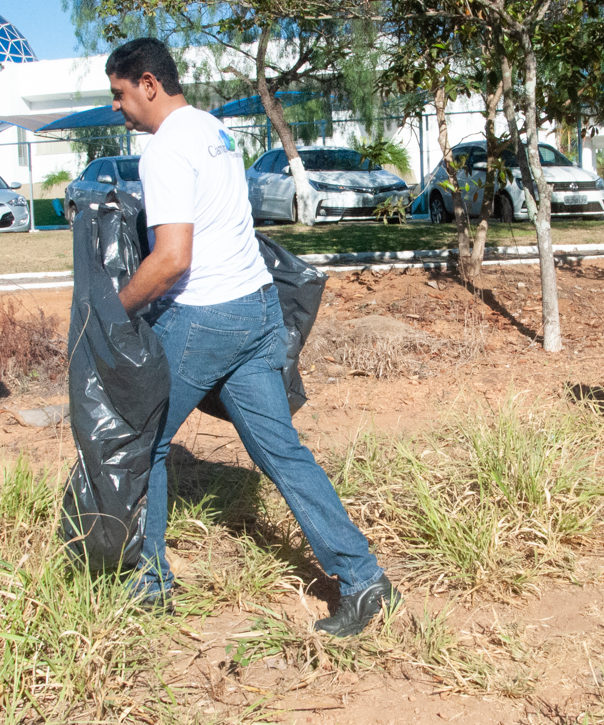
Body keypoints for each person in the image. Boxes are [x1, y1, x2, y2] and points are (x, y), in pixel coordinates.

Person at [107, 37, 395, 636]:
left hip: (205, 317)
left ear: (148, 83)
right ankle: (364, 578)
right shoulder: (215, 131)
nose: (117, 107)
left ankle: (150, 580)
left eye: (120, 94)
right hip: (257, 309)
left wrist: (115, 312)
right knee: (281, 451)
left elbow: (171, 261)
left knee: (144, 439)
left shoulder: (162, 151)